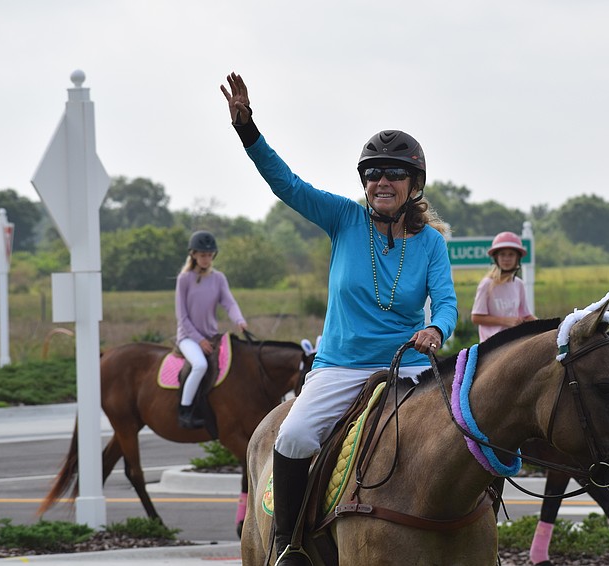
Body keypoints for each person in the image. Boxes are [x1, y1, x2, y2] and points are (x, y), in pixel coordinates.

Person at [221, 72, 458, 565]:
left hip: (407, 368)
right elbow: (286, 183)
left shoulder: (431, 243)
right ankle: (289, 544)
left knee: (464, 429)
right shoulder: (343, 220)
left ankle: (475, 536)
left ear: (413, 184)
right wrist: (249, 130)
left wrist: (437, 328)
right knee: (293, 436)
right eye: (373, 173)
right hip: (340, 367)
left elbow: (448, 302)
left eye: (393, 173)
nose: (382, 181)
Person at [175, 230, 248, 429]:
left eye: (209, 255)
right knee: (200, 365)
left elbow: (229, 303)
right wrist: (199, 340)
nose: (206, 259)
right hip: (188, 338)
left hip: (212, 336)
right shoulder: (184, 279)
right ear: (194, 255)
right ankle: (185, 411)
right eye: (202, 255)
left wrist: (239, 320)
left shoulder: (218, 278)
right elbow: (182, 317)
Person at [471, 231, 536, 342]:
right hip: (491, 344)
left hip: (513, 341)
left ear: (517, 258)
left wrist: (548, 326)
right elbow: (476, 317)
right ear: (496, 258)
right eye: (502, 254)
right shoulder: (487, 284)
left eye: (511, 254)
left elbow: (527, 316)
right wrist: (505, 321)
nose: (507, 259)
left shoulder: (519, 284)